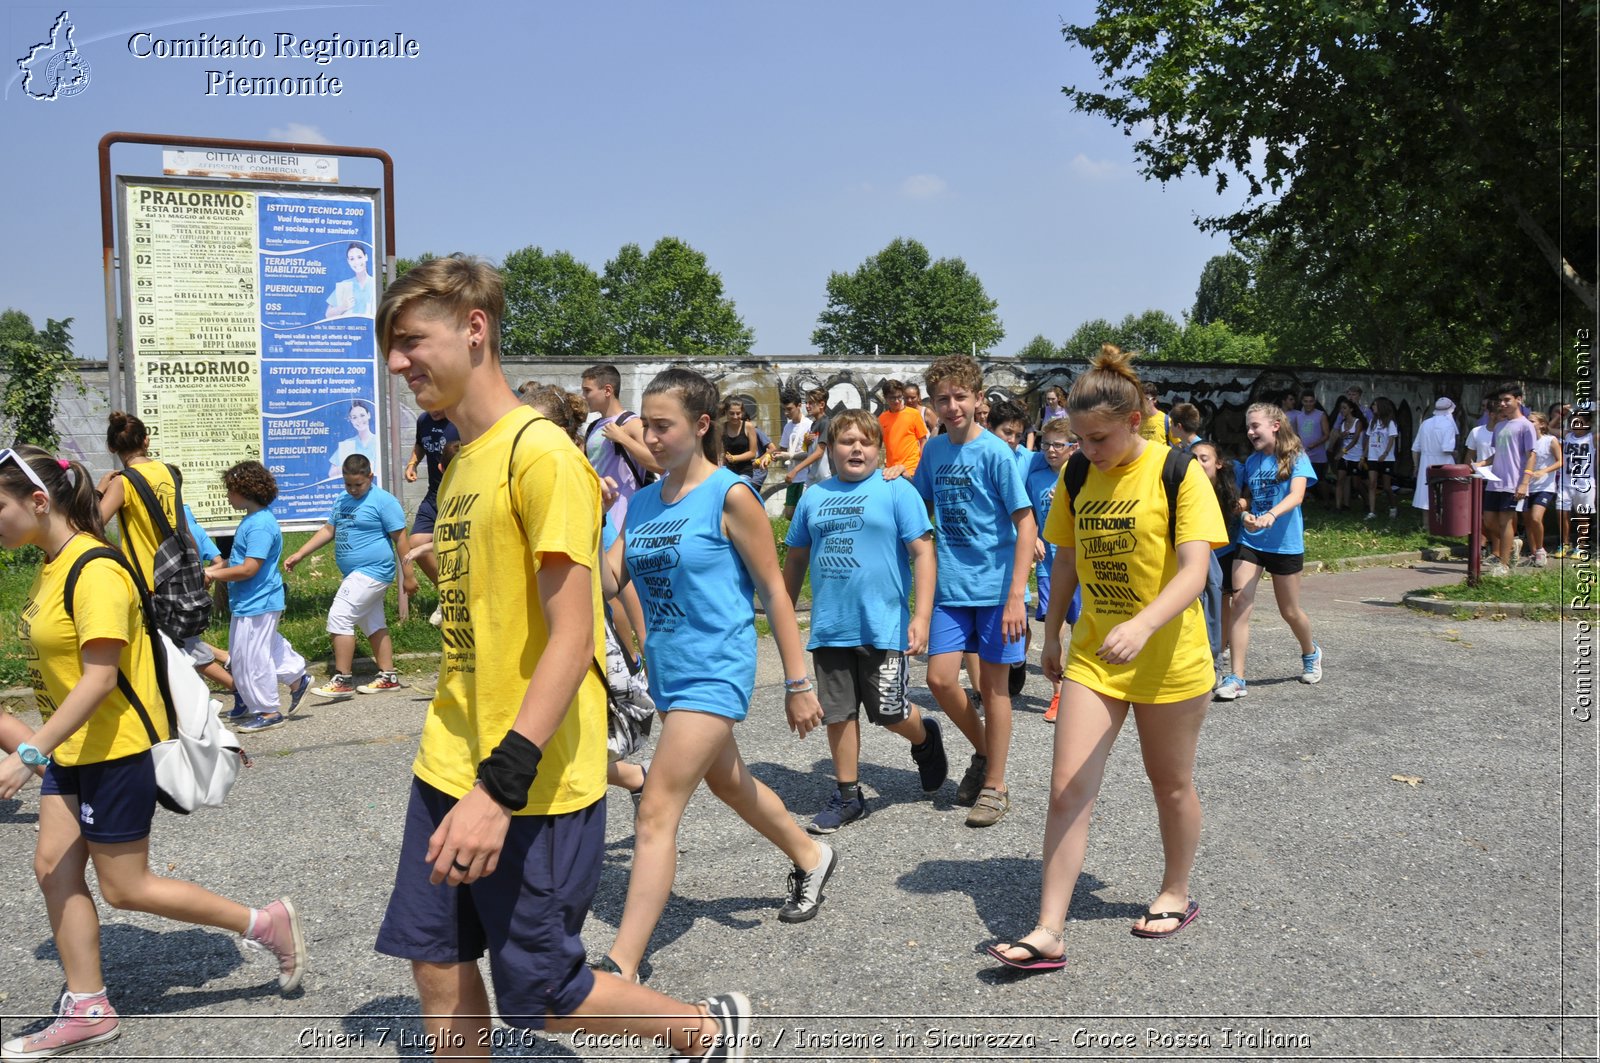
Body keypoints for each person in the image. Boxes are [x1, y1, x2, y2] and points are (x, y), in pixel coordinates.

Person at [374, 256, 752, 1059]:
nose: (397, 362)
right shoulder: (465, 458)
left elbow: (571, 635)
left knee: (545, 997)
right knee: (434, 950)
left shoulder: (541, 454)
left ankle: (703, 1028)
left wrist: (498, 788)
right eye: (390, 345)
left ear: (474, 329)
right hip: (450, 753)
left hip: (533, 776)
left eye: (410, 341)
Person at [0, 446, 306, 1062]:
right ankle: (88, 1007)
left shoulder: (96, 570)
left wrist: (29, 751)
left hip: (114, 751)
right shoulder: (49, 564)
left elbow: (99, 679)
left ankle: (265, 923)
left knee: (125, 888)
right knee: (52, 870)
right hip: (75, 752)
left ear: (38, 502)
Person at [983, 345, 1226, 971]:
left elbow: (1196, 571)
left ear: (1135, 423)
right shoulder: (1077, 476)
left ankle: (1175, 890)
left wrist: (1144, 624)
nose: (1087, 451)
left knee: (1168, 783)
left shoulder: (1179, 472)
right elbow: (1064, 555)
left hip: (1170, 657)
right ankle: (1048, 930)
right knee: (1066, 789)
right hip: (1096, 655)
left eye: (1098, 439)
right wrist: (1055, 635)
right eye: (1079, 440)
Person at [594, 366, 835, 983]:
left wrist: (798, 681)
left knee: (655, 809)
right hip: (669, 674)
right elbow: (607, 580)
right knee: (732, 786)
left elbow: (776, 595)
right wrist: (582, 517)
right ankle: (811, 854)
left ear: (701, 426)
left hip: (717, 671)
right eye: (644, 423)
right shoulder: (643, 501)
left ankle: (621, 963)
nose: (648, 435)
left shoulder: (730, 495)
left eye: (662, 425)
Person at [781, 409, 945, 834]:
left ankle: (924, 738)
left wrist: (922, 615)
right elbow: (796, 556)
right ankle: (849, 795)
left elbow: (924, 553)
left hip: (883, 624)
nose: (856, 448)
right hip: (831, 626)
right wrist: (782, 606)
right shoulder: (814, 498)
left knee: (889, 711)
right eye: (846, 442)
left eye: (866, 442)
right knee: (838, 713)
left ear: (880, 450)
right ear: (830, 450)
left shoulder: (896, 491)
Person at [911, 355, 1037, 828]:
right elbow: (919, 501)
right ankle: (986, 752)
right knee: (940, 680)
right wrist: (891, 483)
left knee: (993, 687)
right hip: (950, 587)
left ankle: (995, 786)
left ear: (978, 400)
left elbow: (1025, 524)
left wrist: (1015, 596)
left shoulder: (996, 454)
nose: (951, 405)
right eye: (942, 399)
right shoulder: (934, 451)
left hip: (996, 589)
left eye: (960, 396)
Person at [95, 411, 234, 696]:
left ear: (112, 447)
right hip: (180, 569)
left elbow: (94, 522)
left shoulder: (124, 482)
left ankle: (239, 689)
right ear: (146, 440)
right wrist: (196, 567)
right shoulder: (168, 473)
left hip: (147, 579)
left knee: (179, 644)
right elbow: (181, 525)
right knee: (179, 642)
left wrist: (98, 491)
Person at [284, 454, 417, 700]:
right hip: (355, 574)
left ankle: (342, 679)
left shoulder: (383, 501)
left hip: (374, 570)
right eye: (348, 484)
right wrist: (300, 553)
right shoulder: (343, 500)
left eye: (359, 484)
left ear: (370, 477)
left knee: (339, 616)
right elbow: (328, 530)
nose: (353, 489)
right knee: (372, 623)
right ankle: (388, 676)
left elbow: (401, 539)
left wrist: (408, 576)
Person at [1215, 403, 1321, 700]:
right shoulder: (1252, 462)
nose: (1250, 432)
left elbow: (1297, 496)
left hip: (1285, 544)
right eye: (1248, 427)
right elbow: (1248, 499)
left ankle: (1310, 651)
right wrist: (1243, 510)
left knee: (1289, 611)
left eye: (1255, 426)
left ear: (1275, 425)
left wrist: (1272, 515)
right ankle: (1236, 678)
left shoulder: (1296, 457)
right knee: (1240, 601)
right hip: (1252, 542)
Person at [204, 462, 314, 733]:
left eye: (230, 491)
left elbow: (250, 569)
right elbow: (241, 559)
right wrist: (213, 569)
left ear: (246, 491)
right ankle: (298, 680)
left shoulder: (260, 526)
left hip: (258, 601)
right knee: (260, 649)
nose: (228, 497)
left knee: (252, 658)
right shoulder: (253, 521)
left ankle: (268, 711)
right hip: (251, 601)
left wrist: (215, 575)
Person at [1027, 418, 1078, 722]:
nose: (1050, 450)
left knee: (1081, 626)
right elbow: (1027, 514)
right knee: (1053, 626)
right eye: (1046, 444)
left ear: (1073, 447)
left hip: (1081, 564)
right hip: (1048, 565)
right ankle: (1057, 692)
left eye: (1058, 445)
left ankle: (1079, 690)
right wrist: (1032, 536)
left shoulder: (1084, 475)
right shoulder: (1035, 478)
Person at [580, 363, 661, 530]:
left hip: (624, 515)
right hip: (599, 511)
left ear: (607, 390)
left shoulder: (632, 423)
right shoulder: (594, 425)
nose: (583, 396)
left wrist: (623, 438)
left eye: (587, 390)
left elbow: (658, 464)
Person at [404, 408, 459, 626]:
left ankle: (457, 597)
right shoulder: (424, 419)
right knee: (416, 542)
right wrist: (412, 464)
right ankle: (448, 594)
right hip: (434, 493)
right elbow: (420, 445)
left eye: (439, 406)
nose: (434, 411)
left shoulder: (460, 420)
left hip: (457, 491)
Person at [1190, 441, 1240, 675]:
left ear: (1218, 463)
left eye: (1204, 458)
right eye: (1194, 458)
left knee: (1221, 599)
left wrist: (1245, 505)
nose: (1198, 463)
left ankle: (1217, 652)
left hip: (1224, 549)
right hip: (1201, 551)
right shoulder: (1186, 487)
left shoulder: (1225, 488)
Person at [1481, 383, 1538, 575]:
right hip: (1494, 481)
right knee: (1488, 522)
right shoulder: (1499, 425)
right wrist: (1480, 464)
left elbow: (1531, 455)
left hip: (1513, 483)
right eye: (1500, 401)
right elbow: (1497, 453)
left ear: (1519, 400)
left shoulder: (1526, 426)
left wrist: (1524, 483)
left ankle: (1504, 565)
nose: (1503, 404)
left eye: (1507, 400)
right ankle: (1512, 544)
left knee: (1506, 522)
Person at [1521, 413, 1562, 567]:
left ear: (1542, 424)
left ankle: (1540, 549)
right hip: (1526, 486)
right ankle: (1534, 553)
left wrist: (1544, 471)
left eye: (1532, 421)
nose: (1528, 424)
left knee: (1535, 518)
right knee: (1527, 521)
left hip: (1545, 486)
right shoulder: (1524, 441)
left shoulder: (1550, 440)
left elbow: (1560, 462)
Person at [1411, 397, 1461, 512]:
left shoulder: (1425, 423)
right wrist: (1455, 453)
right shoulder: (1448, 425)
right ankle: (1442, 524)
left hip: (1426, 462)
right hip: (1443, 462)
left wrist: (1416, 466)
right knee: (1444, 492)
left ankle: (1426, 524)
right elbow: (1446, 448)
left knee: (1425, 494)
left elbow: (1415, 448)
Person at [1558, 403, 1594, 560]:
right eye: (1573, 421)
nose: (1575, 425)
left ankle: (1581, 545)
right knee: (1561, 512)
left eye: (1579, 422)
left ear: (1588, 423)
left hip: (1585, 483)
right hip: (1566, 482)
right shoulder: (1567, 436)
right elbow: (1549, 428)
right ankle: (1564, 544)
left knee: (1582, 515)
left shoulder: (1592, 438)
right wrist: (1562, 414)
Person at [877, 377, 930, 476]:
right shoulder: (882, 418)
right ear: (885, 398)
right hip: (891, 470)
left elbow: (923, 441)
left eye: (900, 397)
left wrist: (923, 464)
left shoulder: (914, 414)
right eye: (893, 398)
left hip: (912, 469)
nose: (897, 401)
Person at [777, 390, 813, 519]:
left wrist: (790, 456)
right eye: (784, 410)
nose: (786, 413)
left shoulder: (809, 425)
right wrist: (771, 456)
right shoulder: (788, 427)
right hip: (793, 477)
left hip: (805, 476)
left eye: (789, 409)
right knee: (790, 514)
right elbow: (782, 449)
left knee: (803, 514)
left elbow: (811, 454)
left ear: (799, 406)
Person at [1288, 392, 1331, 501]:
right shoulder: (1298, 416)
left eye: (1311, 401)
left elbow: (1326, 434)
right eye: (1306, 401)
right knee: (1301, 478)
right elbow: (1296, 434)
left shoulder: (1321, 415)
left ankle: (1327, 502)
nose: (1308, 404)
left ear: (1314, 402)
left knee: (1321, 479)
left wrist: (1314, 445)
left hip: (1318, 455)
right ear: (1302, 402)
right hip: (1303, 454)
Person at [1363, 397, 1400, 520]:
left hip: (1387, 458)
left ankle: (1393, 506)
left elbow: (1391, 439)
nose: (1372, 407)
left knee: (1386, 486)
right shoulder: (1373, 422)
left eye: (1375, 405)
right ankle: (1372, 511)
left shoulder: (1390, 423)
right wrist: (1365, 454)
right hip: (1373, 457)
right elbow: (1368, 438)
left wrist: (1385, 453)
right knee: (1372, 484)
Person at [326, 398, 380, 483]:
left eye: (362, 415)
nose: (359, 420)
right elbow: (332, 473)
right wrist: (354, 467)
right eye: (354, 417)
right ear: (351, 420)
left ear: (368, 415)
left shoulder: (379, 442)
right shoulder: (348, 444)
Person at [1328, 396, 1367, 512]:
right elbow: (1342, 440)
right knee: (1340, 480)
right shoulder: (1343, 424)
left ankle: (1367, 501)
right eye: (1341, 408)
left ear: (1351, 409)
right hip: (1344, 456)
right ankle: (1338, 506)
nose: (1342, 410)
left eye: (1344, 408)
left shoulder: (1357, 422)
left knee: (1356, 484)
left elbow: (1355, 440)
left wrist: (1342, 452)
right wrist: (1341, 437)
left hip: (1355, 456)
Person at [718, 397, 766, 487]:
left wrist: (735, 458)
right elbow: (720, 451)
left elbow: (752, 453)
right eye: (731, 413)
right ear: (726, 413)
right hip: (727, 470)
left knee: (737, 487)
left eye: (738, 413)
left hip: (744, 471)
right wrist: (721, 458)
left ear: (742, 412)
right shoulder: (722, 428)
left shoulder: (748, 427)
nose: (735, 417)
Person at [326, 242, 376, 318]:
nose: (357, 262)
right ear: (348, 261)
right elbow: (328, 314)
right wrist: (343, 307)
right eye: (352, 259)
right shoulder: (344, 285)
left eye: (359, 257)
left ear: (366, 257)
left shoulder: (375, 284)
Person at [1137, 380, 1176, 445]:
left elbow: (1178, 444)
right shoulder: (1135, 420)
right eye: (1140, 399)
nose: (1143, 403)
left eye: (1146, 399)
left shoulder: (1166, 420)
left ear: (1154, 399)